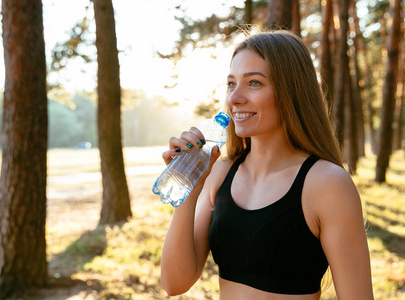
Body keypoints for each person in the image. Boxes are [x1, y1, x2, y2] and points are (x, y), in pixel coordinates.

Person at [160, 30, 374, 299]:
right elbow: (173, 283)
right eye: (231, 84)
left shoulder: (326, 183)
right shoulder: (221, 173)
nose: (234, 98)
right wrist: (189, 190)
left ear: (290, 91)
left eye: (254, 83)